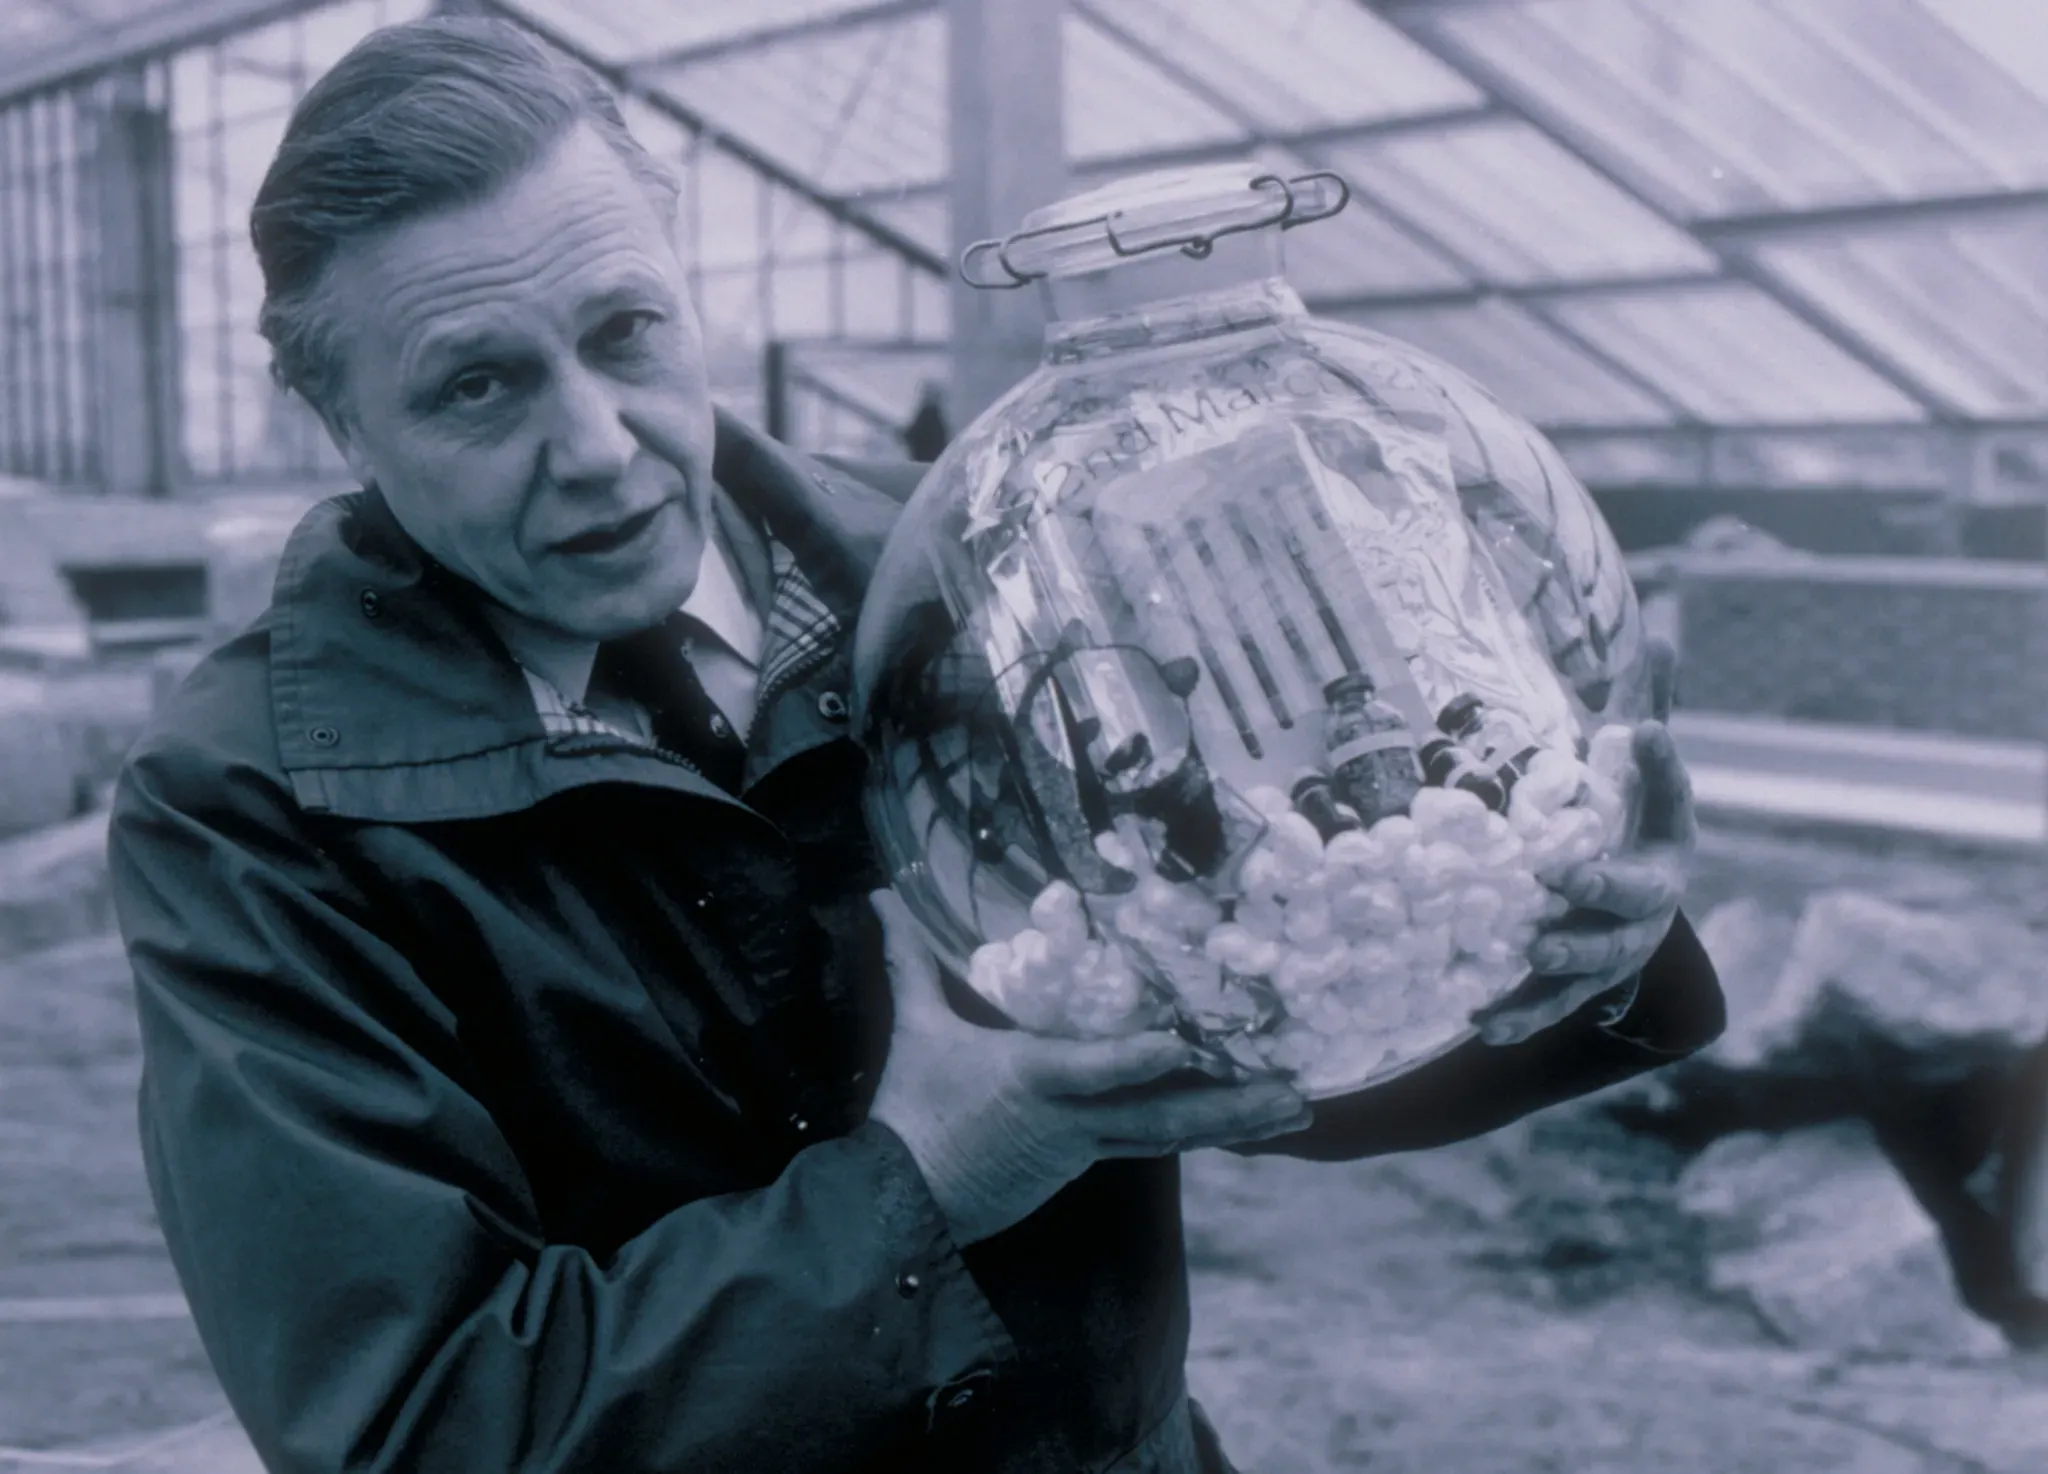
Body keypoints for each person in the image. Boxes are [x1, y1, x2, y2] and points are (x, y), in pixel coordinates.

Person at [106, 17, 1723, 1473]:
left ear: (684, 288)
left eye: (623, 333)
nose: (597, 451)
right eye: (477, 385)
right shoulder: (252, 806)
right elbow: (415, 1425)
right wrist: (933, 1173)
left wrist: (1557, 956)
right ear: (341, 424)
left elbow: (1261, 1040)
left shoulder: (989, 572)